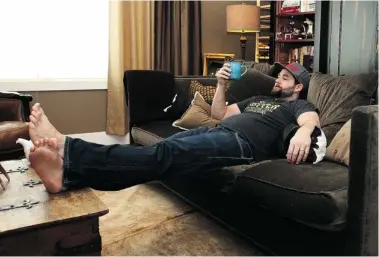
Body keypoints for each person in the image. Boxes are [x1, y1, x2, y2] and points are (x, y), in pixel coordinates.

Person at [28, 62, 323, 194]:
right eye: (277, 75)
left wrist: (302, 130)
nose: (277, 80)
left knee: (166, 151)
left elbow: (311, 120)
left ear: (298, 86)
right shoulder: (258, 99)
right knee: (160, 152)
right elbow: (219, 113)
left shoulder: (296, 107)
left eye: (284, 78)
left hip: (242, 144)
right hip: (220, 132)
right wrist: (221, 85)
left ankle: (69, 149)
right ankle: (67, 177)